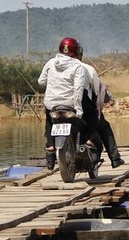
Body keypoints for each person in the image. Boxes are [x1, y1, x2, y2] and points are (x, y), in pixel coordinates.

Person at [38, 37, 98, 169]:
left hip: (51, 104)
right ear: (76, 51)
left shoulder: (50, 63)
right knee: (93, 114)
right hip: (70, 104)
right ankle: (89, 141)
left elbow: (41, 82)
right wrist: (78, 108)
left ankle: (50, 146)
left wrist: (54, 83)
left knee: (49, 120)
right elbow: (78, 89)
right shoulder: (78, 66)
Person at [78, 51, 125, 169]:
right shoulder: (86, 68)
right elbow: (97, 90)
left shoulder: (53, 66)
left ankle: (51, 155)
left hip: (56, 107)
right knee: (103, 125)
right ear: (79, 54)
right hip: (82, 108)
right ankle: (115, 158)